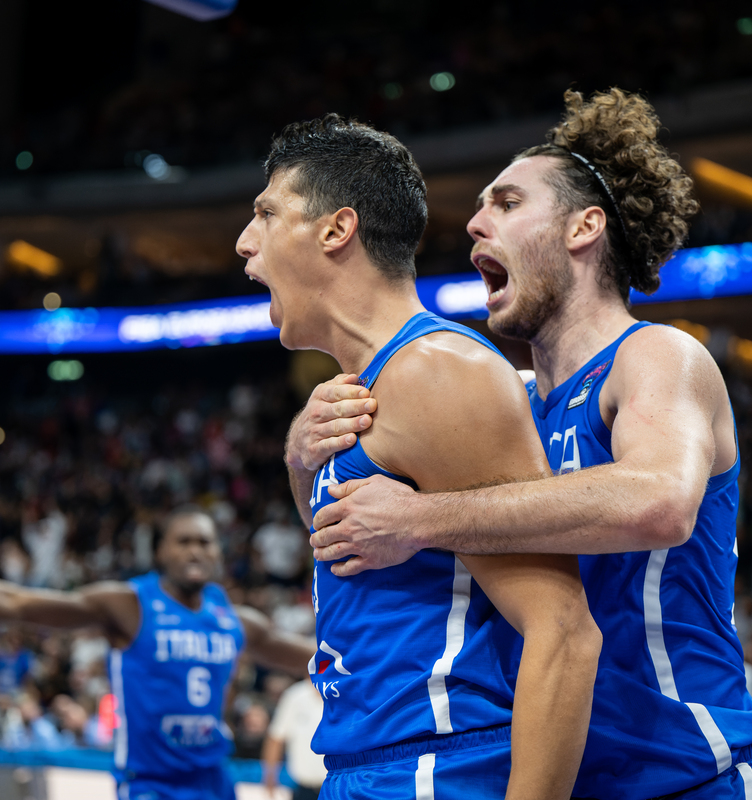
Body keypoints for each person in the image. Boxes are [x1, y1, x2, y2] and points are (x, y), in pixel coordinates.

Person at [295, 90, 752, 800]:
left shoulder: (654, 356)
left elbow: (660, 502)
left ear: (583, 227)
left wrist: (420, 520)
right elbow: (349, 543)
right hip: (562, 778)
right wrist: (306, 450)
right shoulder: (510, 402)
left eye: (506, 203)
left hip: (695, 775)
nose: (473, 223)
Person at [236, 114, 599, 800]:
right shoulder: (362, 389)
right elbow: (346, 554)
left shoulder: (437, 371)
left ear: (336, 230)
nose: (244, 243)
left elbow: (564, 630)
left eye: (266, 213)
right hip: (369, 763)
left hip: (435, 768)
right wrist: (299, 467)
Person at [0, 506, 314, 800]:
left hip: (214, 781)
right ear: (159, 551)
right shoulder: (128, 605)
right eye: (184, 541)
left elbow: (316, 657)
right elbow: (15, 603)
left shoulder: (235, 620)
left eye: (205, 541)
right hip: (150, 785)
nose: (197, 550)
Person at [262, 678, 326, 800]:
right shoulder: (295, 695)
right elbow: (276, 737)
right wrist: (269, 778)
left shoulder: (344, 692)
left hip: (338, 785)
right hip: (303, 788)